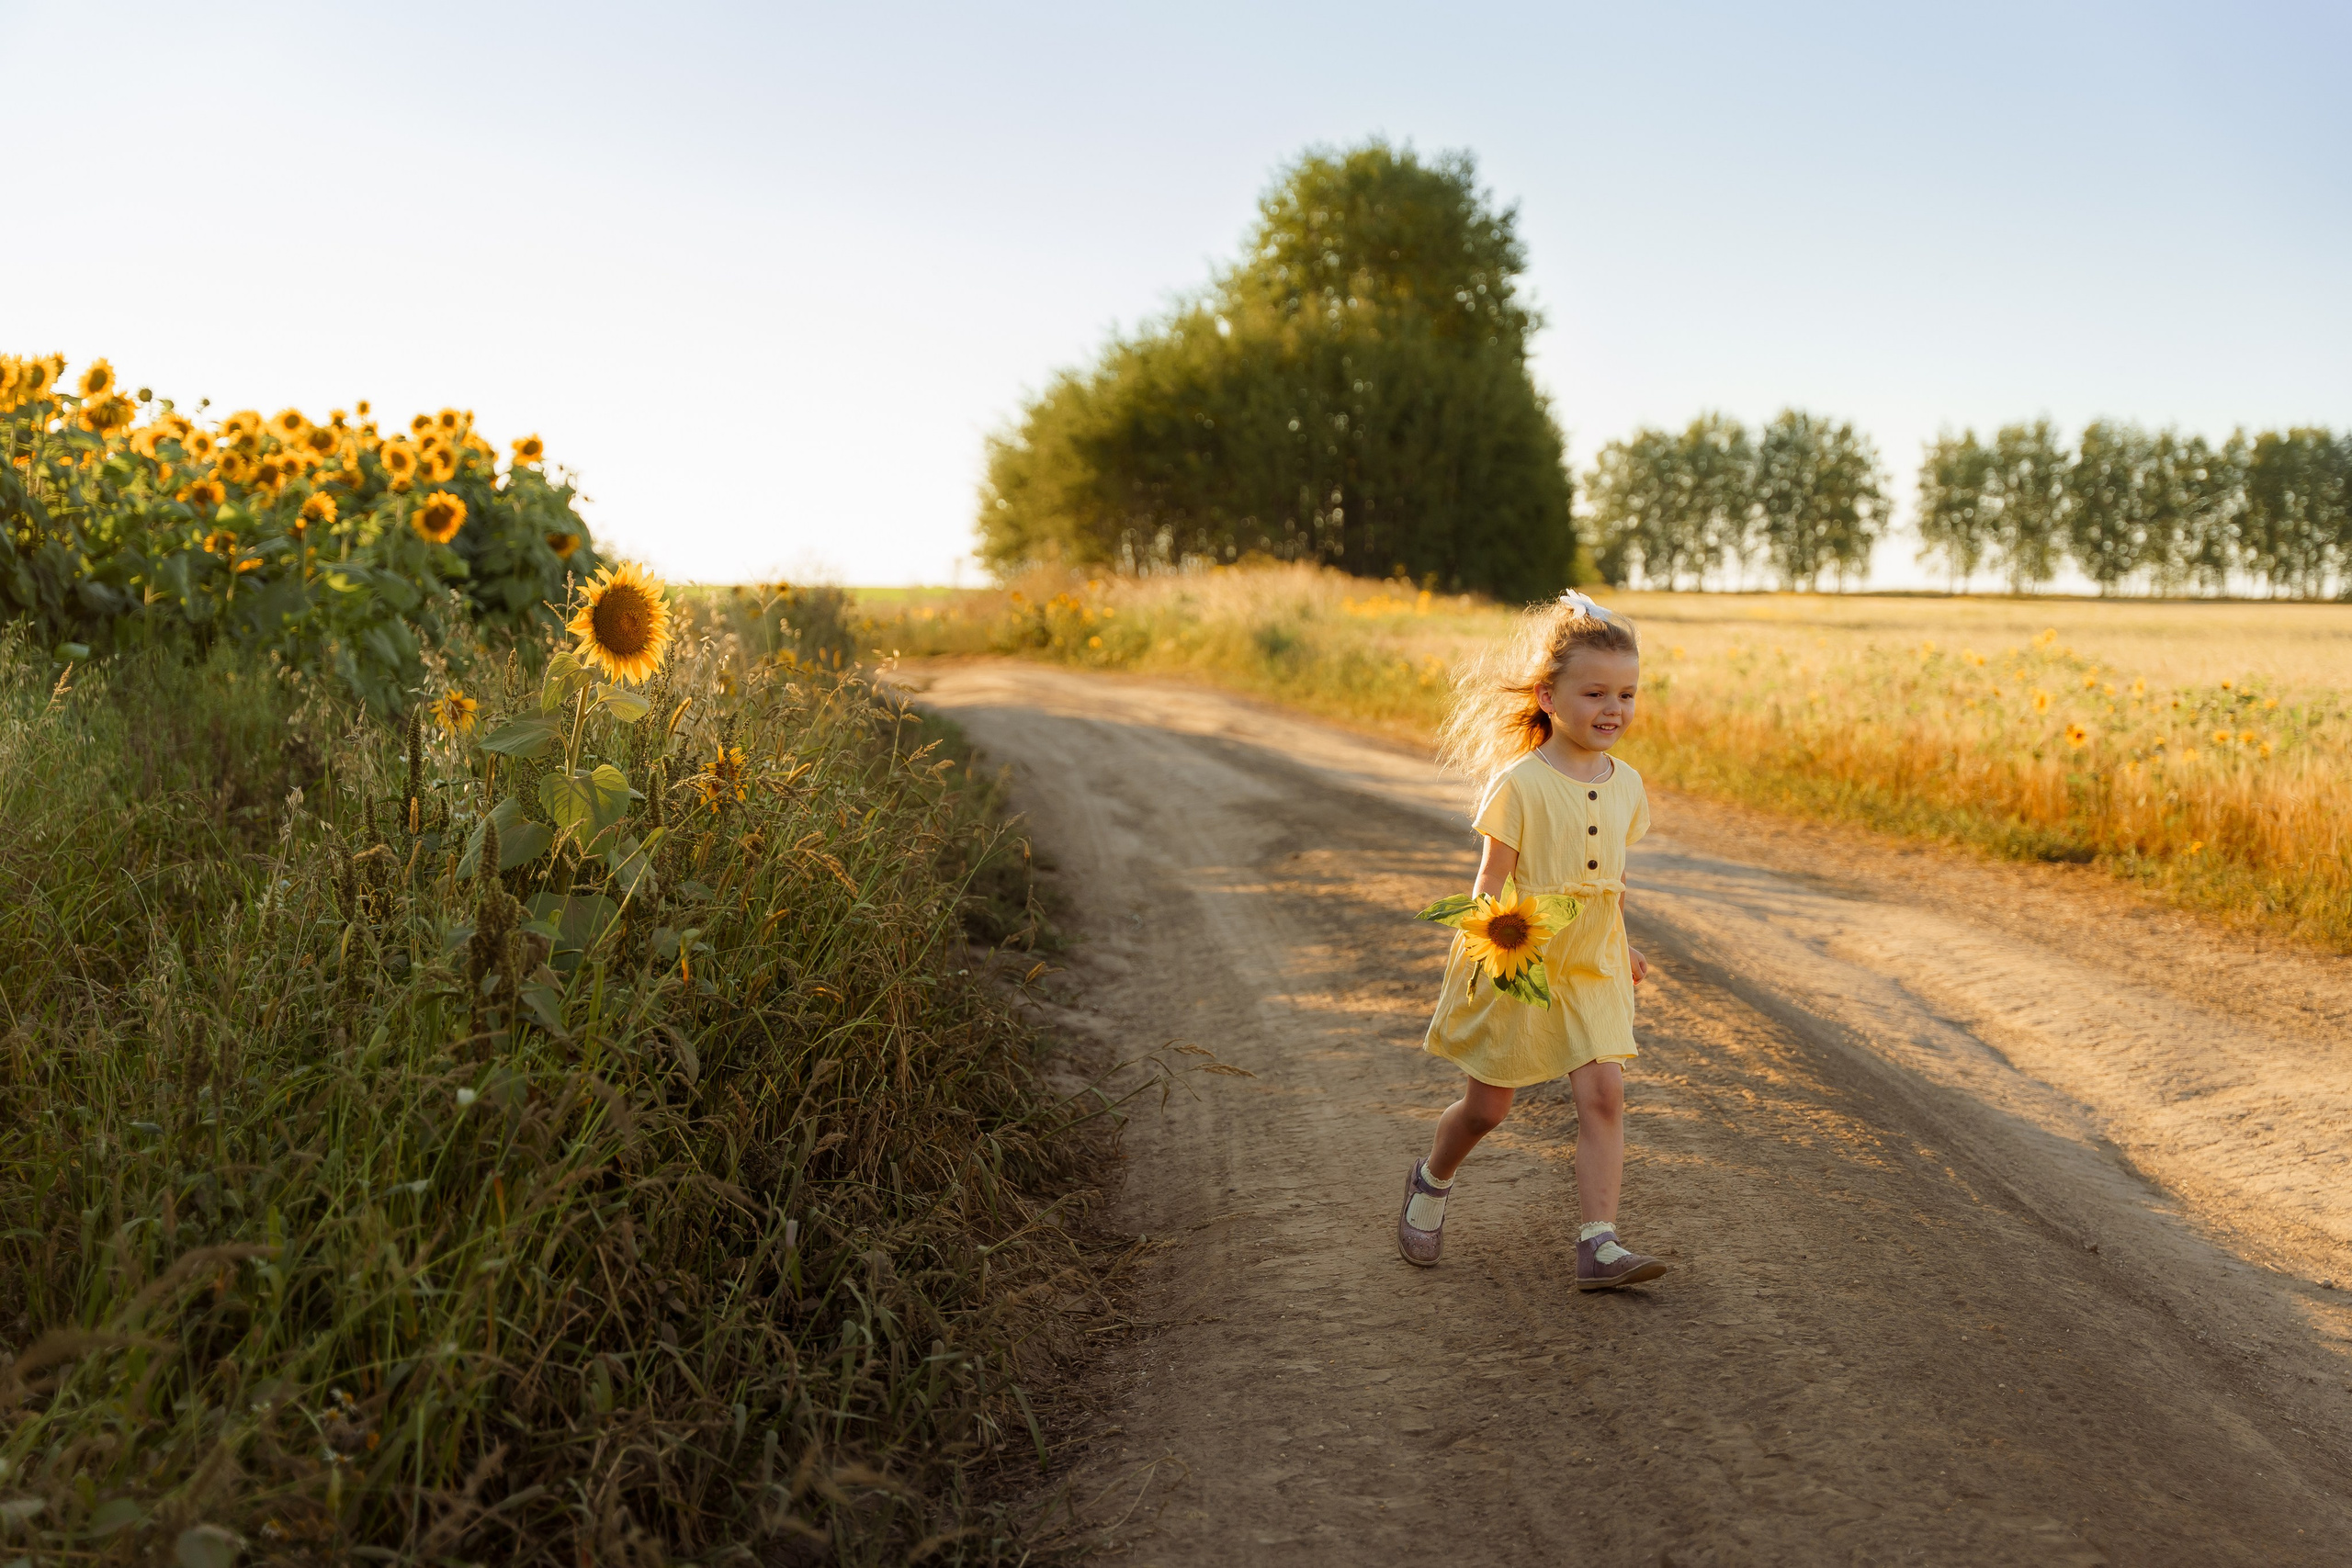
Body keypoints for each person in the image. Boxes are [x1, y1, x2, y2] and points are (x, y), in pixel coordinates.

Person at [1396, 590, 1668, 1290]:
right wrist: (1491, 944)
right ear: (1549, 697)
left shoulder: (1628, 785)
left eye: (1627, 694)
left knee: (1604, 1093)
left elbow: (1610, 880)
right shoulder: (1520, 783)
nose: (1613, 709)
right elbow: (1492, 878)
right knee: (1488, 1108)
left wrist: (1622, 944)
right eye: (1595, 693)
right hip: (1523, 955)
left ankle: (1598, 1242)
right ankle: (1432, 1177)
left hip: (1592, 962)